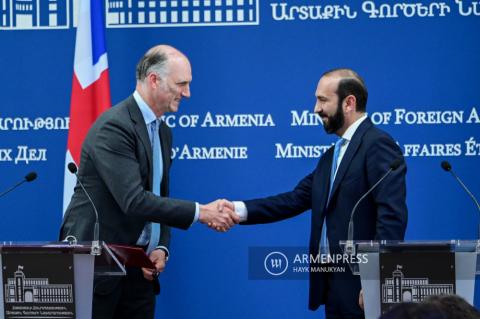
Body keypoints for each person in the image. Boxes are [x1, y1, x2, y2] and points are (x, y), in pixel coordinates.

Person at [60, 45, 239, 319]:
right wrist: (202, 212)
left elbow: (158, 195)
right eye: (182, 84)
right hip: (99, 270)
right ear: (154, 79)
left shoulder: (163, 131)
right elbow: (133, 200)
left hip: (139, 270)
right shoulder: (115, 126)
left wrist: (160, 247)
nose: (187, 93)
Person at [219, 68, 408, 318]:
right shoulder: (332, 156)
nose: (315, 109)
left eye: (322, 100)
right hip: (333, 284)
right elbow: (294, 199)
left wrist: (376, 280)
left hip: (362, 285)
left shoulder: (377, 144)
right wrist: (237, 210)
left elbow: (392, 217)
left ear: (349, 102)